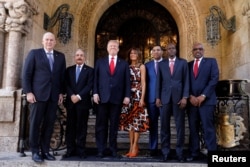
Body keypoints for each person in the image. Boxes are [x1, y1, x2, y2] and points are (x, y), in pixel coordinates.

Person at [22, 32, 66, 163]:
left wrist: (61, 93)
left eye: (51, 40)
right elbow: (26, 75)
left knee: (49, 124)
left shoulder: (60, 56)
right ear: (42, 41)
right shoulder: (34, 54)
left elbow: (61, 77)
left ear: (55, 42)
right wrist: (28, 92)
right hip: (37, 96)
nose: (49, 42)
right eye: (46, 40)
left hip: (53, 97)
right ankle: (35, 151)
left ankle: (45, 150)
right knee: (35, 124)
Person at [93, 40, 131, 158]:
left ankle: (113, 149)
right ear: (107, 48)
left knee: (114, 125)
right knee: (101, 125)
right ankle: (101, 149)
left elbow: (127, 82)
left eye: (115, 46)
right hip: (102, 98)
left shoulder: (124, 64)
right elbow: (95, 79)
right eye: (111, 46)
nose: (113, 47)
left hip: (117, 98)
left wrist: (127, 95)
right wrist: (95, 93)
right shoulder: (100, 62)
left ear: (118, 49)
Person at [155, 43, 189, 162]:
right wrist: (157, 97)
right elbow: (158, 82)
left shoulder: (183, 63)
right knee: (164, 127)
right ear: (166, 51)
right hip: (164, 99)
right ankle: (165, 152)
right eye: (168, 49)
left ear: (176, 50)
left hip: (179, 99)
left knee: (180, 127)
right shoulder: (161, 64)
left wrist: (185, 97)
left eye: (173, 48)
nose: (171, 50)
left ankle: (180, 153)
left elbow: (186, 81)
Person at [186, 42, 219, 161]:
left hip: (207, 102)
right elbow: (185, 82)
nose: (198, 51)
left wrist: (203, 96)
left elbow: (214, 79)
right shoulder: (188, 65)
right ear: (192, 51)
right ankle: (194, 153)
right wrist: (190, 96)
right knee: (193, 129)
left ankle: (212, 154)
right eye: (195, 49)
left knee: (208, 128)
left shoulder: (211, 62)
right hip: (192, 103)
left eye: (200, 49)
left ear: (203, 51)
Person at [119, 47, 149, 158]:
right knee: (129, 123)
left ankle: (135, 146)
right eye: (131, 53)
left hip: (137, 97)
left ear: (139, 55)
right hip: (128, 97)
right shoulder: (126, 67)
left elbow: (144, 83)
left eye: (135, 53)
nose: (133, 54)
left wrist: (142, 98)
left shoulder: (141, 66)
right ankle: (131, 146)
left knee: (136, 123)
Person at [63, 49, 94, 159]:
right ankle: (70, 150)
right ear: (74, 57)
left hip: (83, 103)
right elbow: (66, 84)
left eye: (81, 55)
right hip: (71, 102)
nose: (79, 57)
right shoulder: (69, 70)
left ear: (84, 57)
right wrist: (71, 95)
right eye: (77, 55)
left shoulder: (90, 70)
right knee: (70, 127)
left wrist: (79, 96)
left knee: (82, 127)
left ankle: (81, 150)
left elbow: (89, 85)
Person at [145, 45, 163, 156]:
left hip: (164, 99)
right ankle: (153, 148)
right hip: (151, 99)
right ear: (151, 53)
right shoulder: (147, 66)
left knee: (165, 125)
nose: (156, 52)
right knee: (152, 125)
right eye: (154, 50)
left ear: (162, 52)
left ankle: (165, 148)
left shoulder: (167, 64)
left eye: (158, 50)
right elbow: (145, 83)